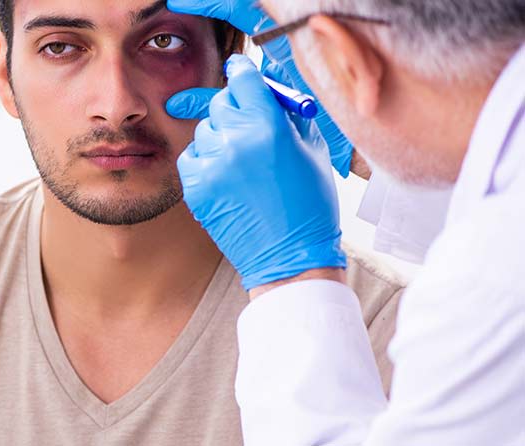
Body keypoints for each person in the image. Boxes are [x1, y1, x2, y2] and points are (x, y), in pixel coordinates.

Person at [0, 0, 407, 445]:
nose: (115, 104)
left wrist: (379, 143)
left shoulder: (387, 329)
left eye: (163, 42)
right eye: (61, 47)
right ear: (5, 74)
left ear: (232, 59)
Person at [165, 0, 525, 444]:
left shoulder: (491, 289)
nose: (115, 104)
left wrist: (291, 272)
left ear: (346, 60)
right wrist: (378, 132)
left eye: (163, 41)